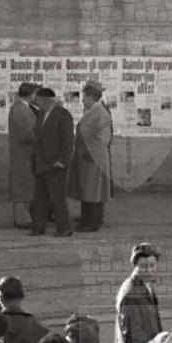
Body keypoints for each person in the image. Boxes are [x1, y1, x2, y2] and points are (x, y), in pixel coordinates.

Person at [28, 85, 74, 237]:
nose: (36, 103)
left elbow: (68, 140)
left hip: (56, 165)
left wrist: (63, 160)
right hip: (41, 163)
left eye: (38, 100)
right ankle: (38, 228)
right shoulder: (41, 114)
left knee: (57, 199)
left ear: (46, 100)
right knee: (39, 199)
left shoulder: (63, 115)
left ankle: (65, 229)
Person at [73, 80, 114, 232]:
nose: (82, 100)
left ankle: (92, 222)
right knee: (87, 190)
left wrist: (90, 153)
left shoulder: (100, 113)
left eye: (84, 97)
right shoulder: (93, 111)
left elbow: (104, 139)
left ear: (91, 97)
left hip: (93, 159)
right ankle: (86, 218)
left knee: (93, 191)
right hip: (87, 159)